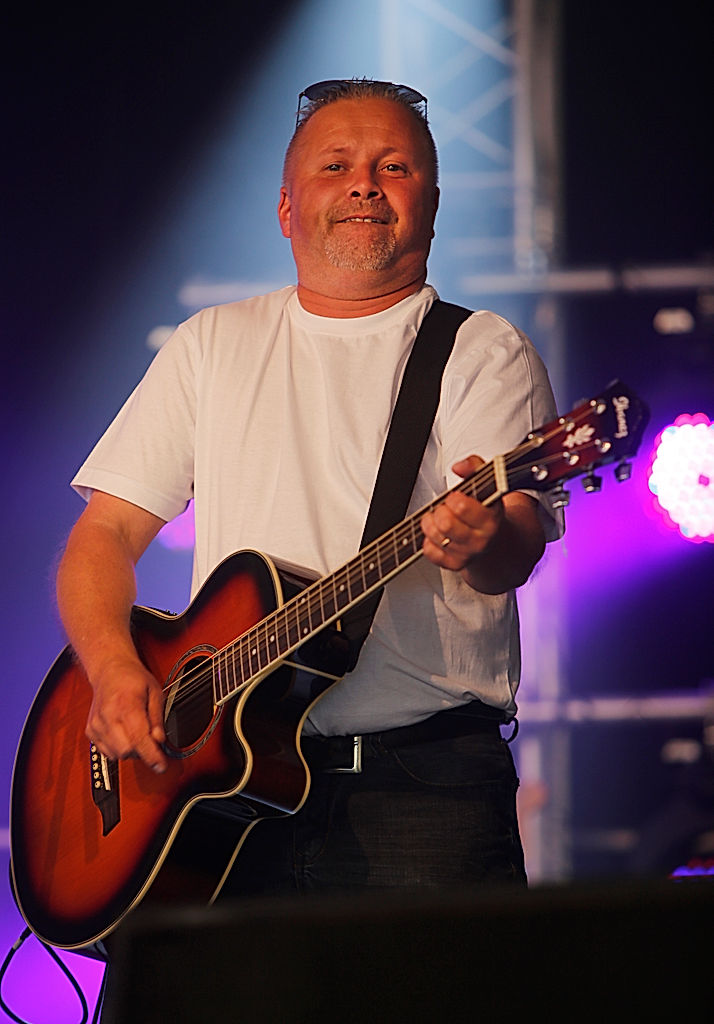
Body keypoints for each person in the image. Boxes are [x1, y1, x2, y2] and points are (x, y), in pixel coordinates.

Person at [57, 79, 563, 901]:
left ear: (430, 206)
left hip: (420, 790)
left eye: (393, 166)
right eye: (337, 165)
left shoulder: (482, 349)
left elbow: (512, 550)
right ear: (287, 209)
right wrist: (115, 671)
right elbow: (104, 535)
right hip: (214, 796)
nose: (365, 182)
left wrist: (485, 540)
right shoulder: (211, 344)